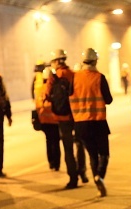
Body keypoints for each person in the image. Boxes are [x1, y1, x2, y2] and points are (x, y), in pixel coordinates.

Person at [69, 48, 113, 197]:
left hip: (81, 124)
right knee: (104, 154)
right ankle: (99, 176)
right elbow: (109, 100)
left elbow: (69, 96)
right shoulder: (99, 77)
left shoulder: (74, 78)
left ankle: (97, 181)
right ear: (95, 61)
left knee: (93, 155)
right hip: (98, 122)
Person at [45, 48, 88, 189]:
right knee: (80, 144)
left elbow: (47, 95)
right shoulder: (74, 74)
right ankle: (82, 171)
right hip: (76, 115)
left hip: (62, 117)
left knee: (68, 148)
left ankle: (73, 178)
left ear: (56, 62)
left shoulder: (53, 77)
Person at [32, 60, 61, 171]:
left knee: (49, 141)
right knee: (56, 142)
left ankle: (51, 163)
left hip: (44, 120)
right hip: (55, 119)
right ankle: (56, 164)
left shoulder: (39, 89)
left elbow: (37, 104)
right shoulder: (54, 88)